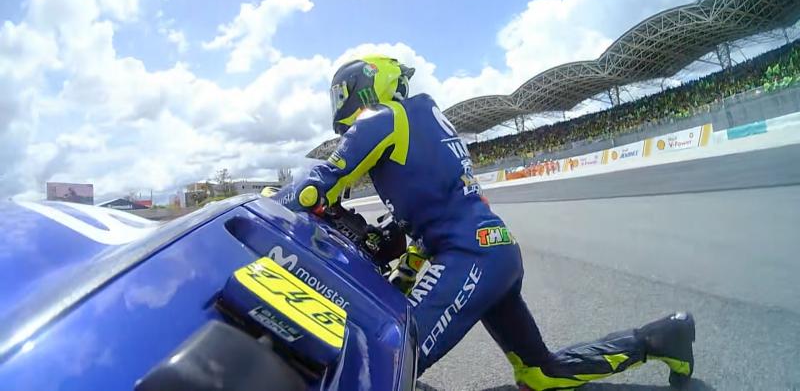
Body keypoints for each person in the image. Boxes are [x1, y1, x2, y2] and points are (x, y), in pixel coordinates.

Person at [280, 55, 696, 390]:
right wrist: (405, 273)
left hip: (469, 255)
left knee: (388, 360)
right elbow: (435, 211)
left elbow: (317, 187)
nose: (340, 105)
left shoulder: (384, 117)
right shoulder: (422, 120)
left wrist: (277, 202)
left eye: (342, 93)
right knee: (540, 373)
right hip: (491, 250)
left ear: (369, 83)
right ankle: (661, 338)